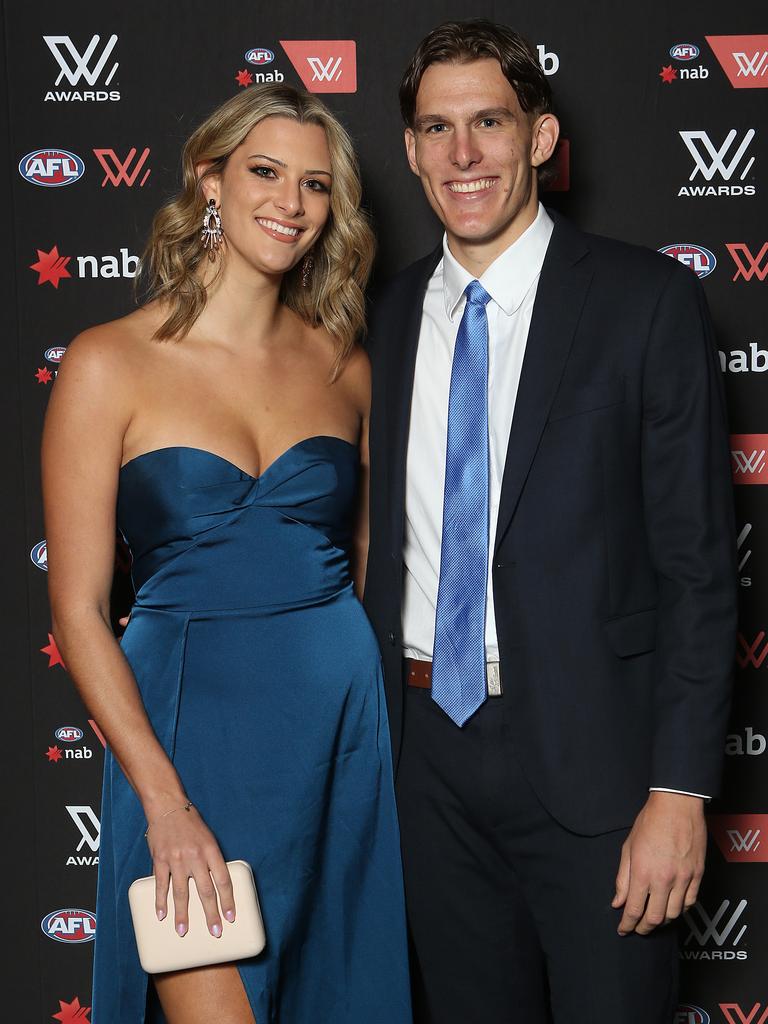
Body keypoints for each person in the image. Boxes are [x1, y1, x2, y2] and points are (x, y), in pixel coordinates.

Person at [363, 19, 736, 1024]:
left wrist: (681, 792)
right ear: (410, 150)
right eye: (437, 129)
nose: (463, 154)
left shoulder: (645, 302)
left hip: (597, 762)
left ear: (539, 136)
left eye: (489, 121)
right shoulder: (379, 317)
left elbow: (699, 571)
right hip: (423, 758)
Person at [42, 84, 412, 1024]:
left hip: (336, 735)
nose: (291, 202)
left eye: (317, 184)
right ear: (210, 180)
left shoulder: (346, 366)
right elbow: (79, 612)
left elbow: (372, 574)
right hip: (185, 739)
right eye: (265, 172)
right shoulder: (107, 361)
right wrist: (164, 803)